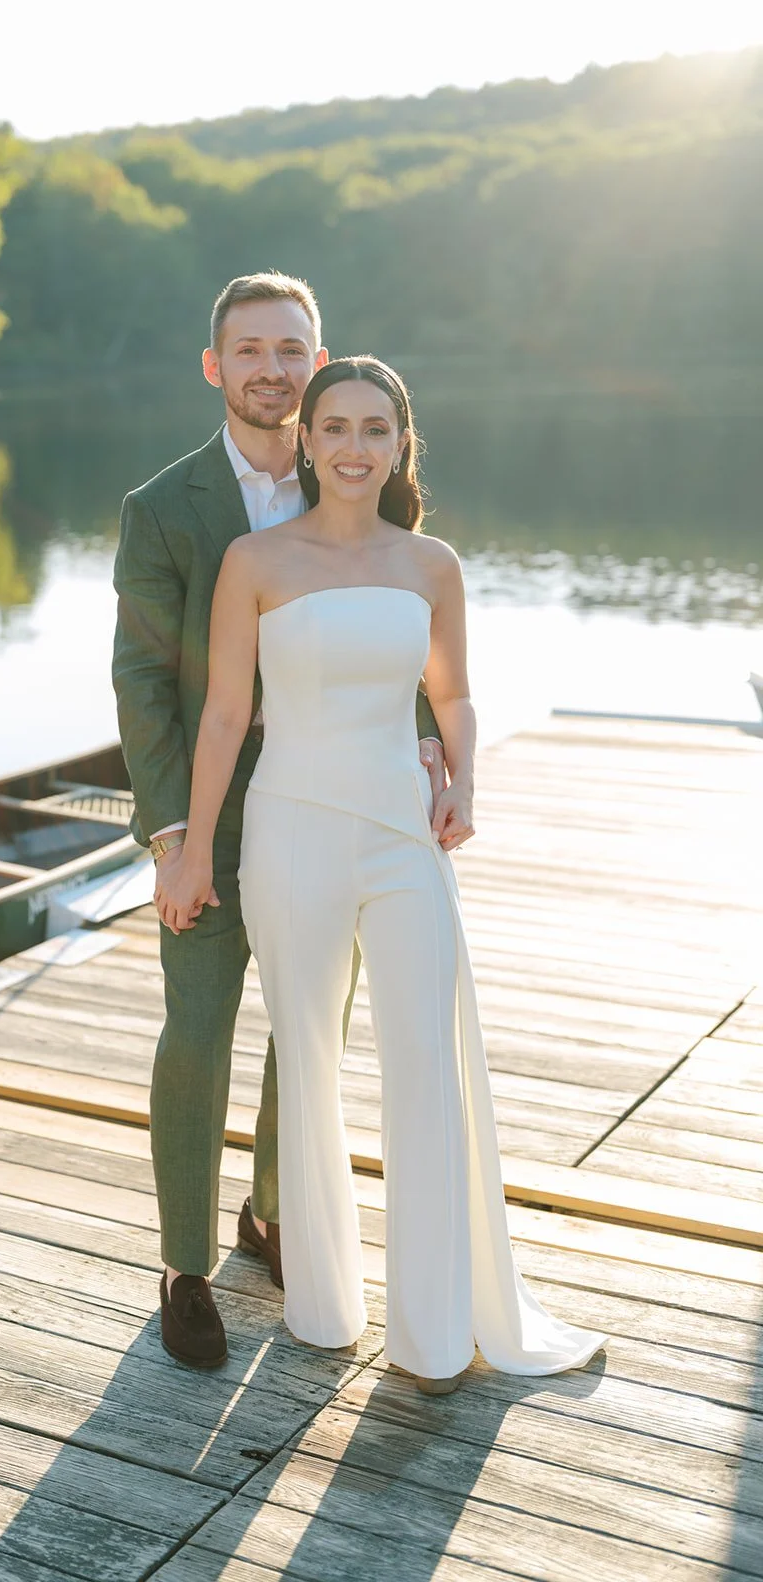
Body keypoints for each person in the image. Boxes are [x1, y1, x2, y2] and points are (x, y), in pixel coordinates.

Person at [156, 356, 607, 1390]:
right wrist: (188, 849)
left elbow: (452, 697)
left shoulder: (431, 563)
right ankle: (322, 1306)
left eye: (376, 429)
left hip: (404, 837)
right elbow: (225, 715)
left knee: (427, 1062)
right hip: (291, 828)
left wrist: (465, 782)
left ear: (400, 442)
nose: (355, 447)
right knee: (307, 1058)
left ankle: (435, 1333)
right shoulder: (255, 560)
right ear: (306, 440)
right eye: (336, 427)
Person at [112, 277, 447, 1369]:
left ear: (319, 363)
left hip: (335, 806)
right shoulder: (161, 508)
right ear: (216, 368)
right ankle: (183, 1265)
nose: (271, 368)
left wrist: (433, 744)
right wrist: (175, 836)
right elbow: (144, 684)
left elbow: (389, 636)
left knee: (308, 1026)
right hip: (211, 815)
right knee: (200, 1031)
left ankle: (272, 1213)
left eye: (290, 349)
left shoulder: (363, 480)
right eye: (248, 350)